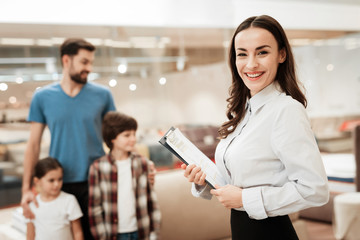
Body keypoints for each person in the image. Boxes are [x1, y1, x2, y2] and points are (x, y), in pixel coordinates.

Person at [182, 15, 329, 240]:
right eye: (242, 54)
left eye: (262, 52)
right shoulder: (244, 111)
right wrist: (204, 179)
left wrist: (244, 200)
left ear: (281, 55)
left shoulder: (286, 110)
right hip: (242, 230)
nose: (251, 64)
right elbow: (239, 179)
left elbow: (315, 190)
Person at [21, 38, 156, 240]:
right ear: (66, 60)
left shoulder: (102, 95)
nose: (89, 68)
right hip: (60, 183)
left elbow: (117, 136)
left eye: (91, 63)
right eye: (84, 62)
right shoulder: (43, 98)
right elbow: (33, 145)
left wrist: (143, 165)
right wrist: (26, 189)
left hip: (99, 180)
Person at [88, 111, 161, 240]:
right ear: (112, 138)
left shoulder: (142, 163)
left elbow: (152, 201)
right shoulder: (97, 168)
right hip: (114, 233)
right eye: (127, 135)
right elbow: (95, 208)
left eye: (134, 134)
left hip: (141, 231)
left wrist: (154, 233)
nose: (133, 139)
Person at [26, 157, 83, 240]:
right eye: (51, 180)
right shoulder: (32, 205)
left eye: (60, 179)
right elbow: (30, 235)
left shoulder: (69, 200)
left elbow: (78, 232)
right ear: (37, 181)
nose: (57, 184)